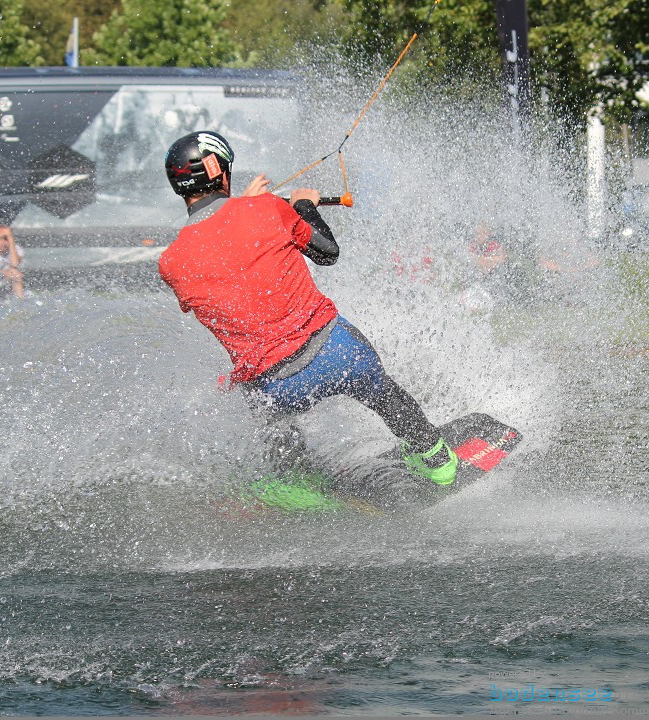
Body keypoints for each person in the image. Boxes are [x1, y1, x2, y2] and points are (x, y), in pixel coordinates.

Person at [158, 131, 458, 485]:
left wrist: (242, 207)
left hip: (274, 389)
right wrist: (302, 205)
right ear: (221, 171)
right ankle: (435, 457)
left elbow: (229, 263)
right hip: (338, 354)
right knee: (381, 391)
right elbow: (327, 253)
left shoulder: (170, 262)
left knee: (267, 417)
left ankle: (297, 484)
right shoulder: (268, 208)